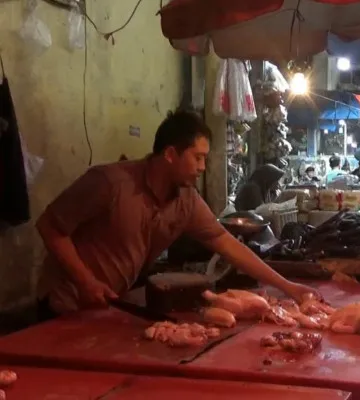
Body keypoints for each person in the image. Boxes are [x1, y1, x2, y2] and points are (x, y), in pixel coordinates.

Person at [35, 110, 317, 319]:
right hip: (64, 304)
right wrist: (85, 281)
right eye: (197, 157)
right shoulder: (110, 183)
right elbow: (49, 226)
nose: (203, 167)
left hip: (107, 305)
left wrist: (288, 286)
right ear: (170, 154)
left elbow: (227, 243)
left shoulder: (186, 200)